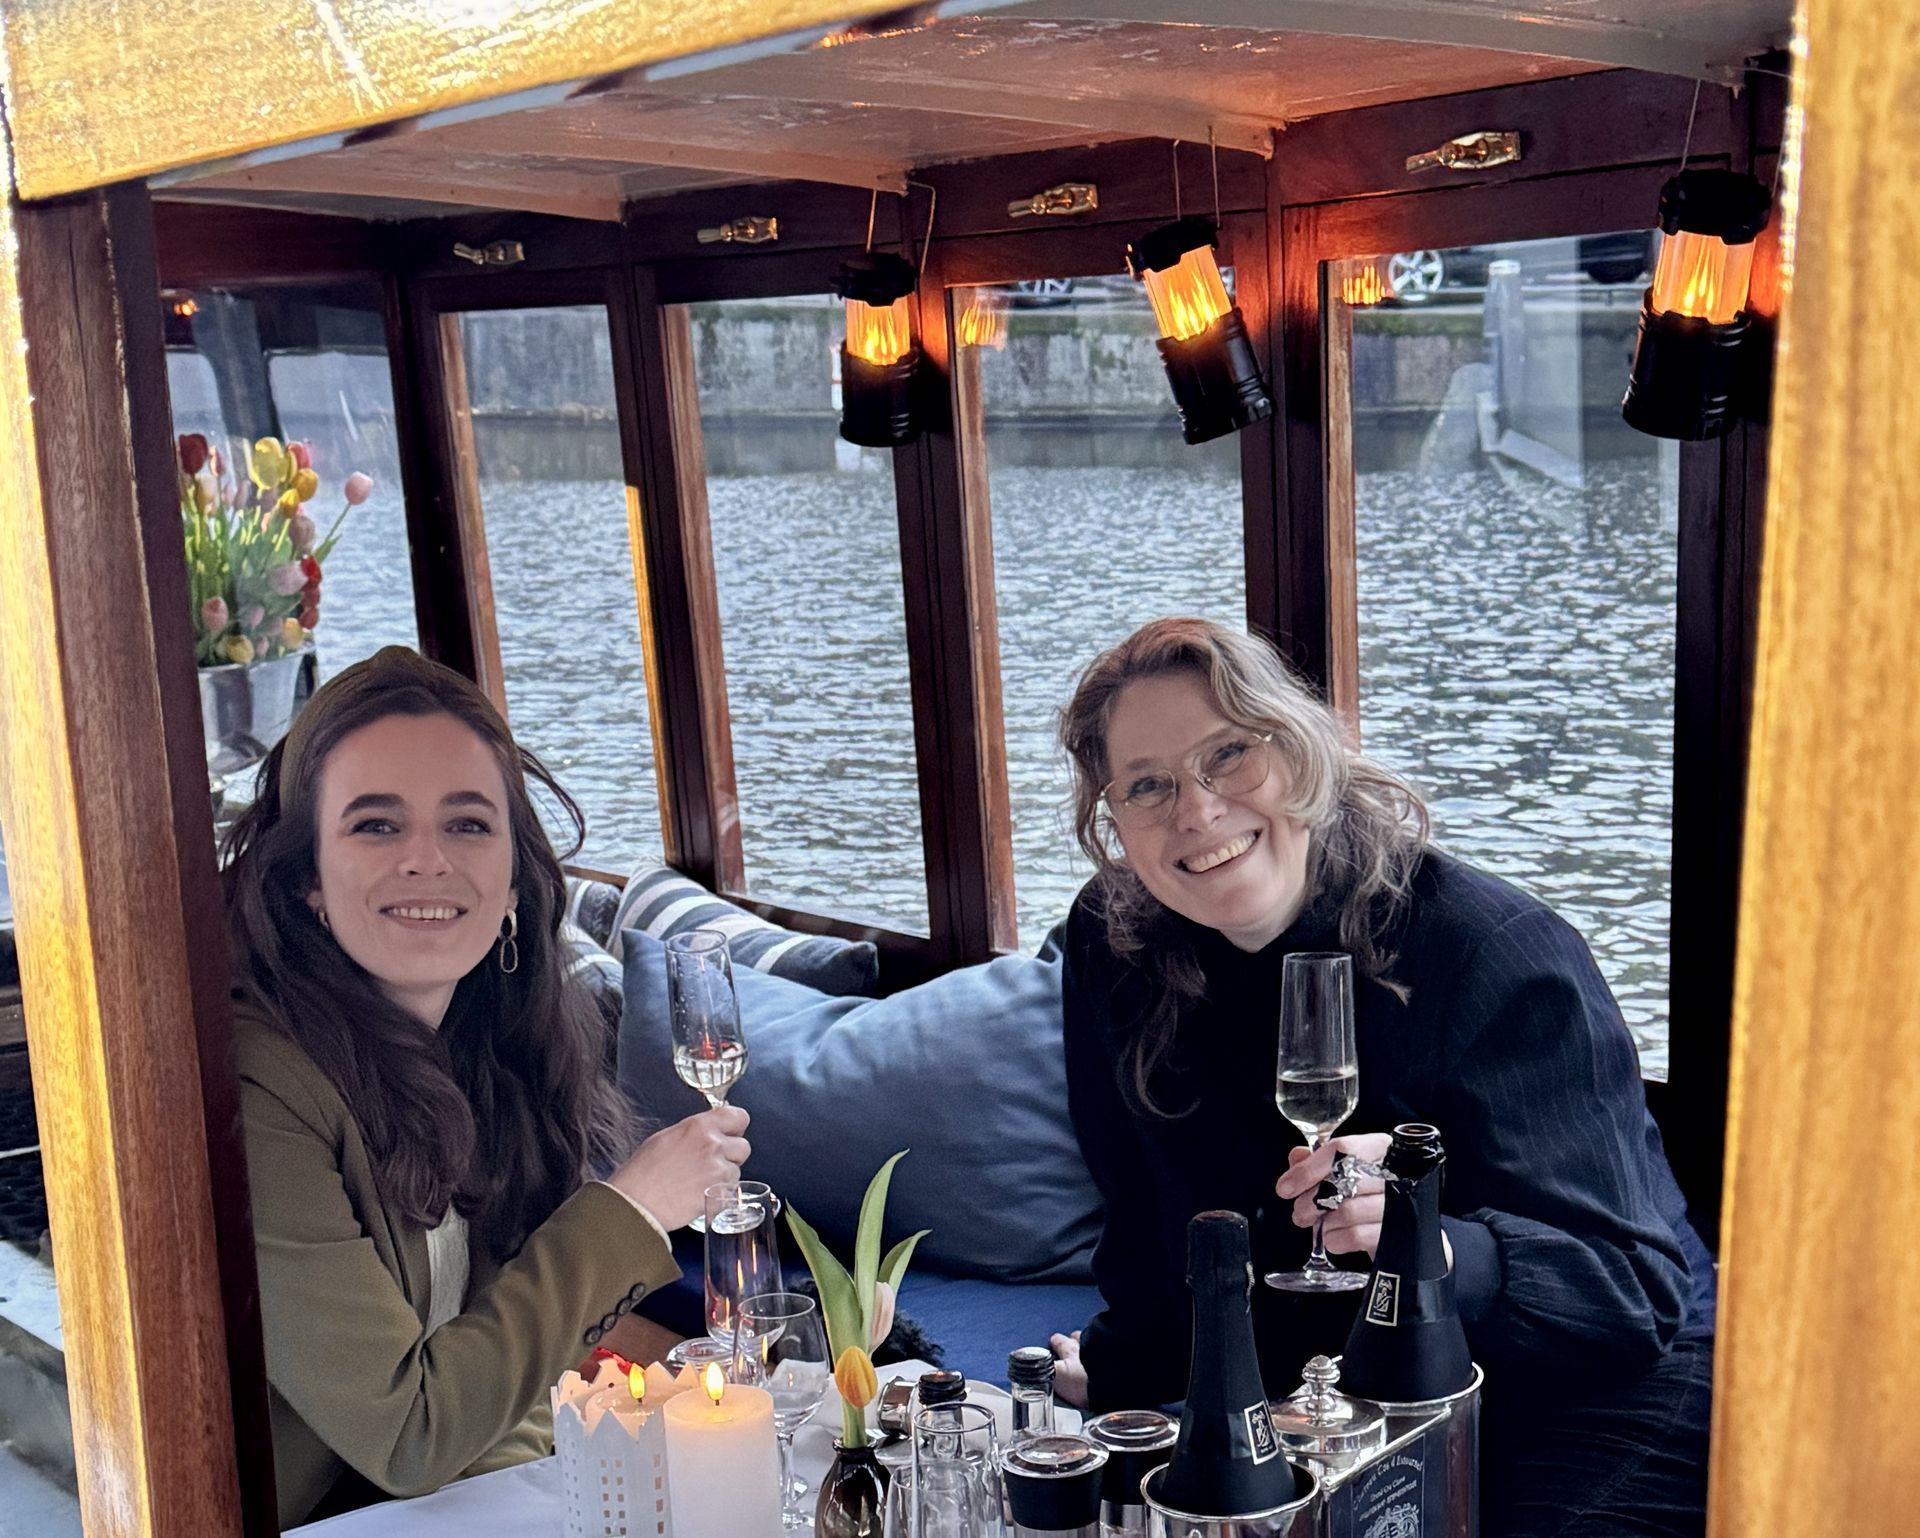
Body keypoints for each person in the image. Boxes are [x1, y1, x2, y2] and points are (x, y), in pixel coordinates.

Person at [1044, 619, 1714, 1538]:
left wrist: (1426, 1242)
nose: (1195, 811)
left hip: (1581, 1398)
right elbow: (1144, 1217)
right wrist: (1124, 1375)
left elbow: (1633, 1293)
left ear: (1300, 752)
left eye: (1229, 754)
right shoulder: (1111, 938)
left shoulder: (1491, 951)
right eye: (1148, 784)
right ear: (1111, 816)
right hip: (1332, 1399)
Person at [224, 647, 749, 1526]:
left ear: (511, 883)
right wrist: (633, 1208)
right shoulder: (261, 1089)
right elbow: (409, 1433)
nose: (427, 861)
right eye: (376, 825)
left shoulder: (498, 1044)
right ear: (308, 877)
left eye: (467, 824)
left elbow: (512, 1383)